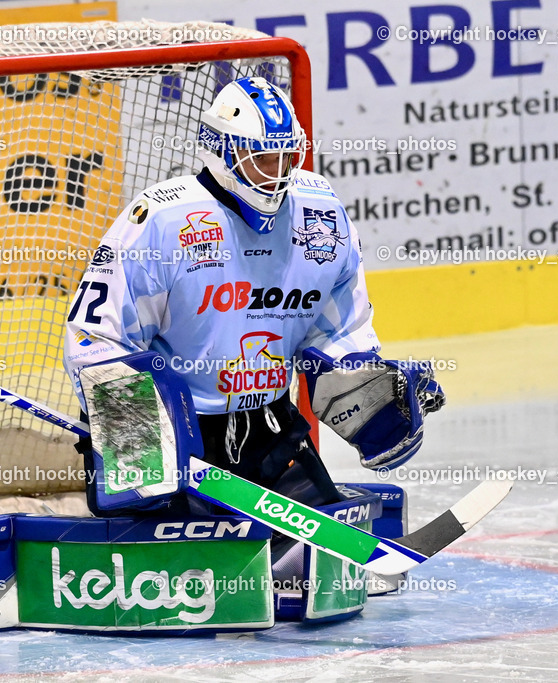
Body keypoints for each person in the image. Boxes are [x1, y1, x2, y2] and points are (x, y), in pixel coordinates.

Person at [63, 76, 444, 521]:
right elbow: (96, 337)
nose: (277, 172)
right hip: (180, 434)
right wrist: (138, 439)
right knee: (187, 557)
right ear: (221, 151)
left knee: (316, 549)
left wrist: (369, 385)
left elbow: (341, 330)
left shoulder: (320, 214)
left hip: (270, 429)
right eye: (262, 158)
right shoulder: (163, 220)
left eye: (287, 157)